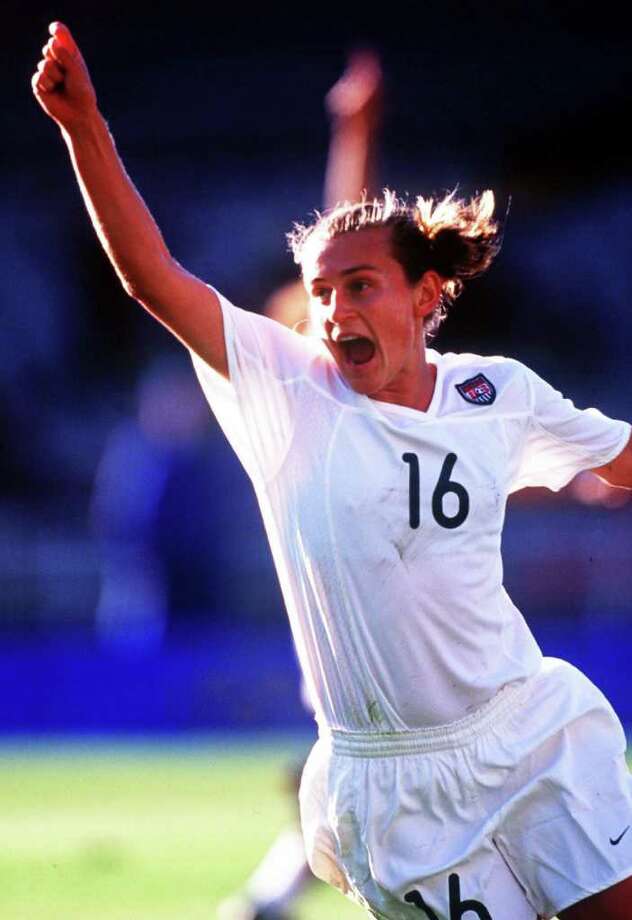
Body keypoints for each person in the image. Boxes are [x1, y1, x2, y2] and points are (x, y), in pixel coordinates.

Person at [32, 22, 632, 920]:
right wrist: (84, 127)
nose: (335, 309)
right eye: (320, 293)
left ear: (425, 296)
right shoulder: (289, 393)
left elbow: (620, 459)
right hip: (392, 784)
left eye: (360, 288)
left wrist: (357, 133)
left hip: (525, 730)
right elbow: (151, 277)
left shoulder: (497, 393)